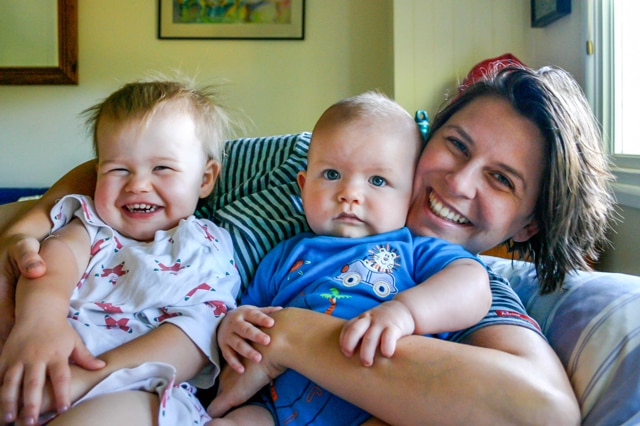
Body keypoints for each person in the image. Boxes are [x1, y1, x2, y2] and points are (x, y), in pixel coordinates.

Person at [0, 65, 615, 424]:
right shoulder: (321, 155)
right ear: (426, 133)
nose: (457, 182)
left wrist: (290, 336)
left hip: (152, 381)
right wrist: (28, 230)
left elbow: (540, 411)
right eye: (456, 144)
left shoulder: (464, 286)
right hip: (70, 286)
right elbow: (133, 160)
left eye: (501, 180)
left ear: (528, 227)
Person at [212, 92, 491, 425]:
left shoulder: (415, 250)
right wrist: (234, 323)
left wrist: (406, 312)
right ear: (303, 186)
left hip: (381, 407)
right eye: (331, 175)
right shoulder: (285, 256)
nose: (350, 193)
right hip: (278, 410)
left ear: (412, 194)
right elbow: (250, 319)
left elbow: (473, 285)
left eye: (377, 180)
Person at [0, 80, 242, 425]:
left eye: (162, 168)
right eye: (118, 169)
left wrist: (91, 380)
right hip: (34, 366)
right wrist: (40, 321)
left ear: (205, 179)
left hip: (138, 388)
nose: (137, 185)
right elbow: (52, 260)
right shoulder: (89, 224)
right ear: (96, 172)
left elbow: (198, 332)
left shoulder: (203, 243)